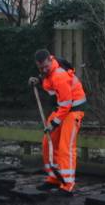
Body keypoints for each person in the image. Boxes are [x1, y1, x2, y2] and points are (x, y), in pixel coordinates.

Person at [28, 49, 87, 195]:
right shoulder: (49, 71)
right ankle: (54, 179)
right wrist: (39, 79)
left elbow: (66, 104)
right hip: (61, 109)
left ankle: (67, 185)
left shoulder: (60, 76)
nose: (43, 70)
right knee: (48, 143)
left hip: (73, 111)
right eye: (40, 68)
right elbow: (50, 84)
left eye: (45, 67)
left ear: (50, 59)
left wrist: (54, 123)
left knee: (65, 147)